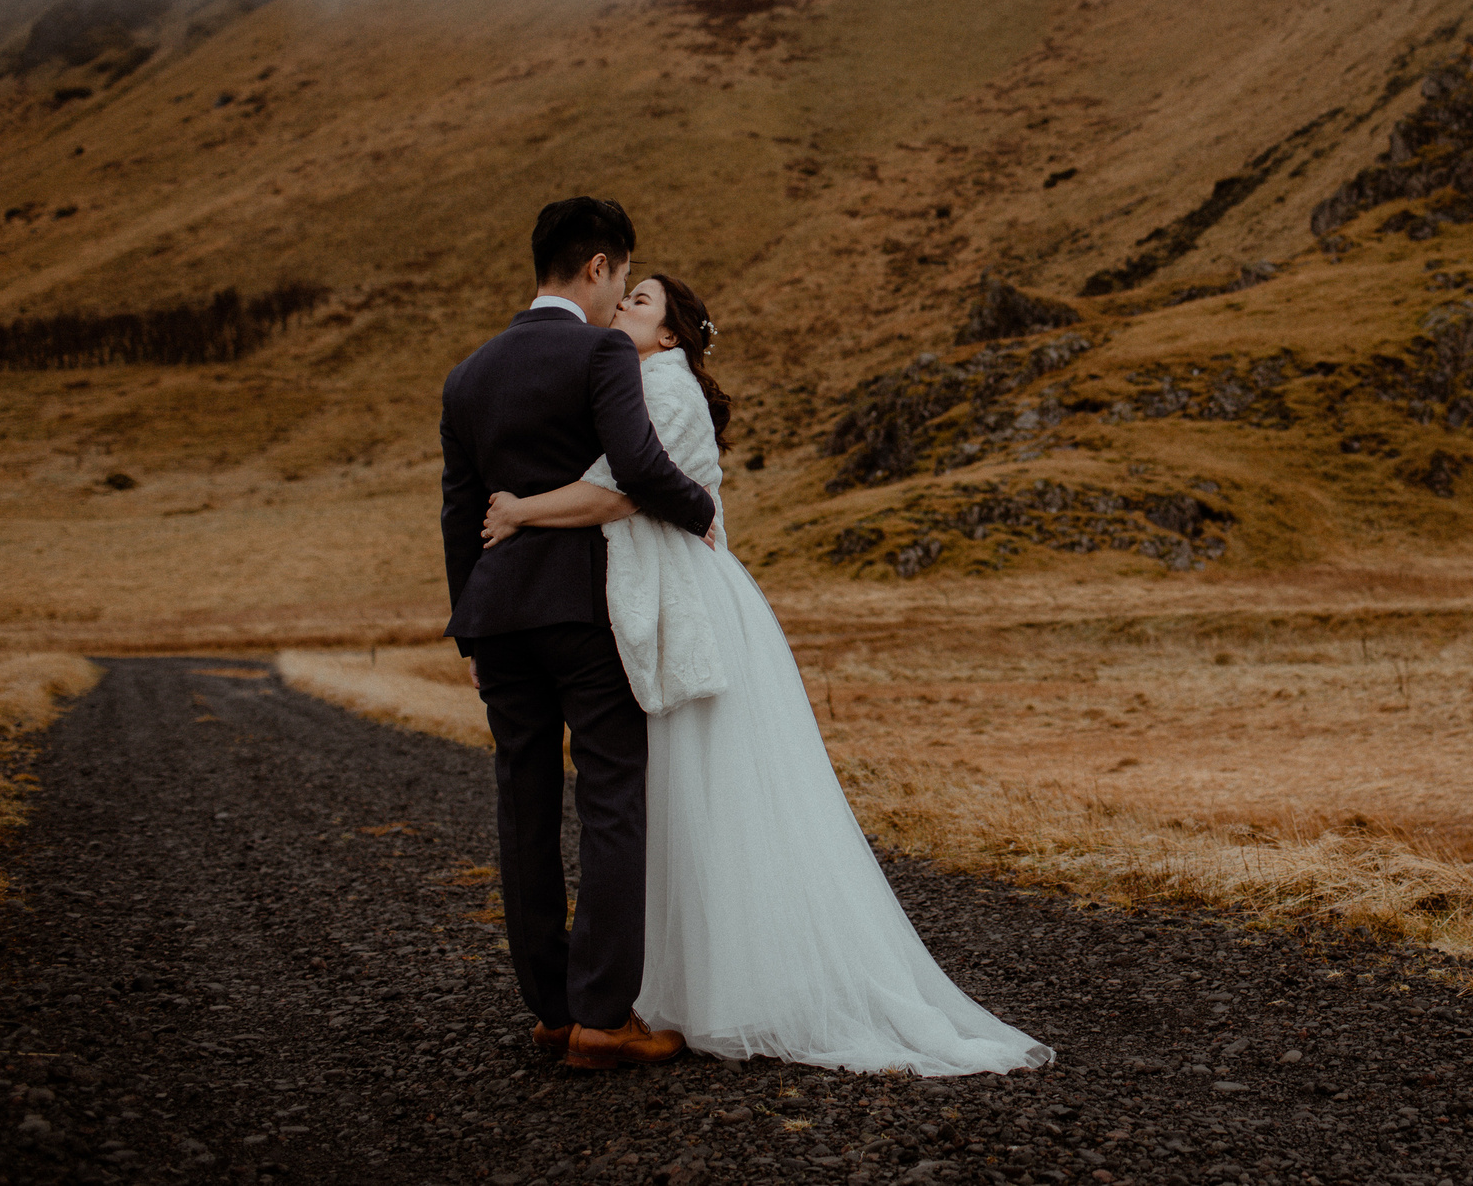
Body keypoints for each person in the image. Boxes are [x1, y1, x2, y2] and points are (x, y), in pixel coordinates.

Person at [479, 273, 1051, 1076]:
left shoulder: (666, 389)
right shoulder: (632, 379)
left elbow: (619, 493)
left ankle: (721, 988)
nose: (621, 308)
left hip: (691, 611)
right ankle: (650, 988)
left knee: (706, 792)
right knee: (666, 796)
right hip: (654, 606)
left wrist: (518, 510)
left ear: (672, 335)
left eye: (640, 303)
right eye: (625, 296)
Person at [439, 197, 720, 1071]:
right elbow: (636, 467)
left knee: (522, 803)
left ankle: (552, 1010)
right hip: (582, 610)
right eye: (624, 279)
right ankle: (603, 1016)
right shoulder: (598, 349)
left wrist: (471, 630)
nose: (621, 298)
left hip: (499, 620)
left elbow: (459, 514)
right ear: (597, 265)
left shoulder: (469, 374)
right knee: (610, 797)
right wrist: (701, 505)